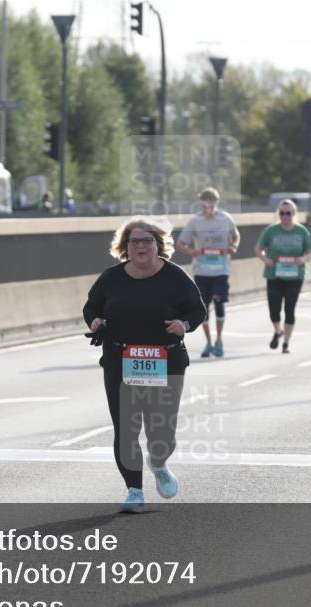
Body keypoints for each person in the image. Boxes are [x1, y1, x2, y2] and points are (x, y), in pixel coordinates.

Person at [83, 218, 207, 513]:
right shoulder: (112, 278)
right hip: (120, 360)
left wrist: (184, 324)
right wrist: (95, 321)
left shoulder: (175, 276)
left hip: (165, 360)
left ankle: (159, 463)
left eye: (147, 240)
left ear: (158, 244)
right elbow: (91, 306)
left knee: (160, 431)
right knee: (126, 429)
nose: (141, 246)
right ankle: (134, 491)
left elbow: (197, 310)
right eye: (134, 241)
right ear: (125, 247)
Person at [176, 187, 240, 358]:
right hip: (201, 271)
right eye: (204, 206)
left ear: (216, 204)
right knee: (203, 308)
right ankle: (209, 342)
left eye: (210, 206)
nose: (207, 209)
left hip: (221, 270)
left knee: (219, 302)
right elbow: (181, 243)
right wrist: (192, 252)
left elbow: (235, 236)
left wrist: (233, 247)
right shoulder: (195, 221)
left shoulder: (225, 219)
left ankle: (219, 340)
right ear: (201, 205)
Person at [255, 199, 311, 354]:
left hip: (295, 277)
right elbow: (258, 248)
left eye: (288, 213)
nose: (285, 216)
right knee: (274, 310)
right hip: (274, 275)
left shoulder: (301, 231)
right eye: (282, 213)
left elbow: (310, 252)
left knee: (289, 309)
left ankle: (286, 343)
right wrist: (265, 259)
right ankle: (278, 330)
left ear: (294, 214)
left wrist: (303, 259)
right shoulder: (271, 230)